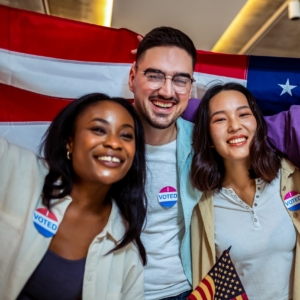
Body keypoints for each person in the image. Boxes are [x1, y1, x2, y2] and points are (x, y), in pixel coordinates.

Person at [128, 26, 300, 300]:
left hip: (184, 290)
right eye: (154, 74)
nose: (167, 89)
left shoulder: (289, 176)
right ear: (133, 77)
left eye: (180, 79)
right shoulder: (204, 191)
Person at [0, 93, 147, 300]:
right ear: (70, 142)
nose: (114, 143)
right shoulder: (14, 167)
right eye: (98, 129)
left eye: (126, 135)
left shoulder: (126, 250)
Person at [190, 82, 300, 300]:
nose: (234, 126)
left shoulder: (290, 177)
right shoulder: (200, 202)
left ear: (258, 124)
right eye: (220, 119)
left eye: (243, 114)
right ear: (209, 139)